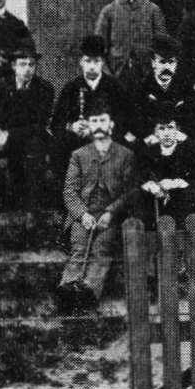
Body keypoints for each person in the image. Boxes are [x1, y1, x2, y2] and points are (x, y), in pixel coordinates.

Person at [53, 109, 136, 313]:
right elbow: (69, 191)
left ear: (111, 125)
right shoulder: (79, 155)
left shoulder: (125, 155)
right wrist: (81, 215)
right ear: (89, 126)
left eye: (103, 120)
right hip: (83, 215)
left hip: (109, 217)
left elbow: (129, 191)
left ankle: (88, 294)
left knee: (102, 250)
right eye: (94, 121)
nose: (98, 125)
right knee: (79, 249)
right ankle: (67, 292)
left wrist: (110, 212)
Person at [0, 43, 56, 212]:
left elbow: (39, 124)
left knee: (36, 150)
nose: (27, 69)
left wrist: (8, 134)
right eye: (22, 64)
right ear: (13, 66)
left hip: (30, 137)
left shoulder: (44, 89)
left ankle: (32, 211)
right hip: (1, 138)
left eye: (31, 65)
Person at [51, 34, 140, 176]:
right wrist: (72, 126)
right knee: (60, 148)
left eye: (96, 61)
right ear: (81, 62)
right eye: (88, 61)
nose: (92, 66)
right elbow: (56, 124)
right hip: (78, 142)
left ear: (102, 62)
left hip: (109, 140)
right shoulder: (71, 88)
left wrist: (99, 128)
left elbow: (129, 120)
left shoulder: (115, 87)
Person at [94, 0, 171, 90]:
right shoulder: (108, 12)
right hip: (116, 84)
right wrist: (109, 80)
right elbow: (98, 52)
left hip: (147, 84)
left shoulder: (153, 11)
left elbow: (163, 50)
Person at [134, 99, 195, 224]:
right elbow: (139, 175)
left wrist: (178, 183)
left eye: (170, 128)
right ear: (155, 132)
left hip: (182, 203)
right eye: (162, 129)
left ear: (177, 130)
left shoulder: (187, 150)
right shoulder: (149, 151)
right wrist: (151, 185)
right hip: (156, 203)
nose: (167, 133)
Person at [136, 34, 195, 142]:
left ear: (176, 63)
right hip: (153, 141)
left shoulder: (186, 87)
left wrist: (182, 135)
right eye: (162, 62)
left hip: (180, 142)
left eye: (171, 62)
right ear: (153, 63)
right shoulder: (142, 88)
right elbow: (137, 121)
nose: (167, 67)